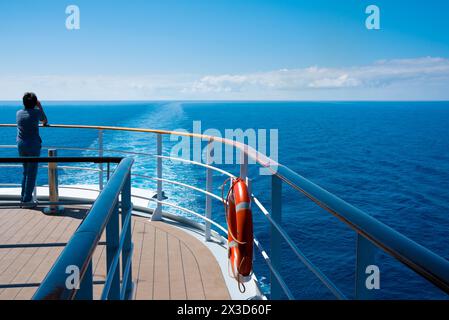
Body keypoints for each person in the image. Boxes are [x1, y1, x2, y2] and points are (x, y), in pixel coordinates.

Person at [16, 93, 49, 208]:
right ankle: (27, 200)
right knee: (32, 173)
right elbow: (44, 120)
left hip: (21, 144)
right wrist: (40, 106)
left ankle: (23, 198)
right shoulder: (36, 112)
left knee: (25, 172)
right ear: (35, 103)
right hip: (33, 145)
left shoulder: (19, 113)